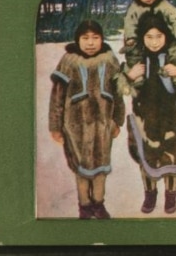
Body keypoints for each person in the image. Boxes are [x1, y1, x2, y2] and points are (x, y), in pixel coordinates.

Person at [116, 11, 176, 214]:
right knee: (147, 156)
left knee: (173, 157)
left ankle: (171, 195)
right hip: (146, 118)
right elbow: (118, 85)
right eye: (149, 37)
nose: (154, 42)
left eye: (159, 36)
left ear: (166, 37)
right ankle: (150, 194)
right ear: (142, 38)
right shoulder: (136, 60)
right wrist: (129, 76)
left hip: (172, 118)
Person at [49, 20, 125, 219]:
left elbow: (118, 94)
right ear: (78, 40)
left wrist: (118, 120)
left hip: (103, 126)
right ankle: (84, 205)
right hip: (76, 127)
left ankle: (98, 204)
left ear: (102, 39)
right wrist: (55, 127)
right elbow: (57, 96)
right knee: (81, 168)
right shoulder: (69, 61)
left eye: (95, 38)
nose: (90, 43)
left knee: (101, 168)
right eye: (85, 38)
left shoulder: (109, 61)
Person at [120, 0, 176, 88]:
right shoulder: (135, 7)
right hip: (142, 41)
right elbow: (129, 23)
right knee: (133, 54)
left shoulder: (164, 5)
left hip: (166, 39)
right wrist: (131, 37)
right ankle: (138, 76)